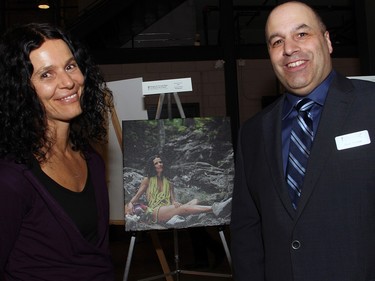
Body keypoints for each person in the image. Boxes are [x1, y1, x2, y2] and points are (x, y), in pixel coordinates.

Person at [230, 1, 375, 281]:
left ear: (327, 41)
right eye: (277, 41)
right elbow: (247, 230)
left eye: (302, 34)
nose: (289, 49)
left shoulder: (371, 106)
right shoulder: (253, 133)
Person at [0, 23, 114, 280]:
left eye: (70, 66)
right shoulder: (11, 178)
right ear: (20, 89)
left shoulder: (92, 160)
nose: (68, 82)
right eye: (46, 74)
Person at [125, 155, 232, 225]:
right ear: (152, 166)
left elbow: (173, 201)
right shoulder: (147, 180)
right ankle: (214, 208)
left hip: (168, 209)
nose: (159, 164)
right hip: (156, 211)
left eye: (160, 162)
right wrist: (129, 204)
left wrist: (175, 202)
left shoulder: (169, 182)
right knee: (183, 208)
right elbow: (136, 197)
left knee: (195, 200)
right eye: (156, 163)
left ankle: (173, 219)